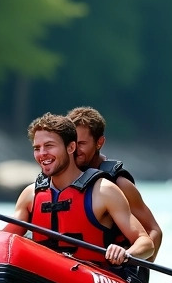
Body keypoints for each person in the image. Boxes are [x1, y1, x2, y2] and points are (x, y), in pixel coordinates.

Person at [0, 112, 153, 283]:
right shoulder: (30, 195)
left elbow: (145, 242)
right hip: (48, 282)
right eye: (37, 148)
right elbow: (0, 243)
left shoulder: (104, 191)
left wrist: (126, 253)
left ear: (71, 147)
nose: (42, 154)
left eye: (49, 146)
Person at [67, 105, 163, 260]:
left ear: (99, 142)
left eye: (82, 143)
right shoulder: (63, 177)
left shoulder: (119, 183)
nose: (75, 149)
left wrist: (130, 257)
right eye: (72, 143)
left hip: (118, 268)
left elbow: (154, 231)